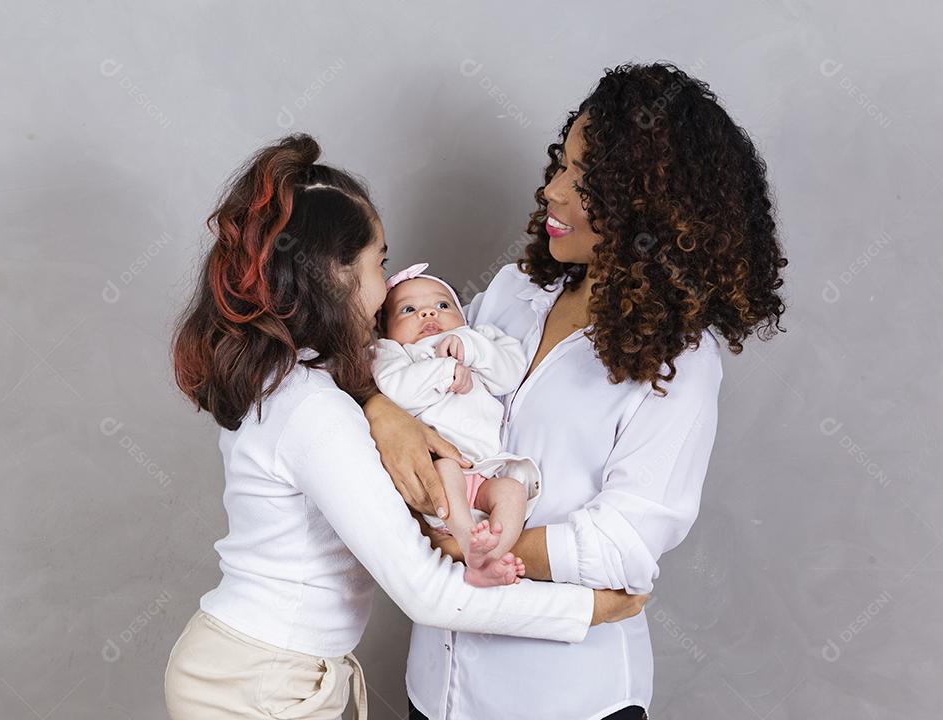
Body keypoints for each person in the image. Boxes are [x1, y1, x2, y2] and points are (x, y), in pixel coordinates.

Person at [163, 133, 649, 720]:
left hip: (257, 667)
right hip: (256, 684)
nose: (388, 284)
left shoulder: (293, 378)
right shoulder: (315, 410)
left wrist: (382, 406)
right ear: (337, 277)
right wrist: (591, 610)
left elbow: (360, 388)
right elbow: (426, 591)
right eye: (381, 262)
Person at [362, 62, 788, 719]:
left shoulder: (681, 360)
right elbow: (410, 375)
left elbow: (627, 546)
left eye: (582, 180)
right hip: (437, 686)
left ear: (650, 204)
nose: (553, 192)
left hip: (562, 698)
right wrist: (381, 411)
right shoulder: (512, 293)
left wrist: (467, 547)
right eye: (560, 164)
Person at [373, 262, 542, 587]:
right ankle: (468, 544)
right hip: (436, 474)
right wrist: (445, 370)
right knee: (448, 467)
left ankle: (489, 557)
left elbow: (510, 373)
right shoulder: (394, 353)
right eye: (409, 310)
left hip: (485, 471)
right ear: (387, 330)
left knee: (512, 491)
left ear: (463, 317)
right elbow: (396, 391)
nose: (428, 315)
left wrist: (473, 350)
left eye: (442, 305)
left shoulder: (479, 339)